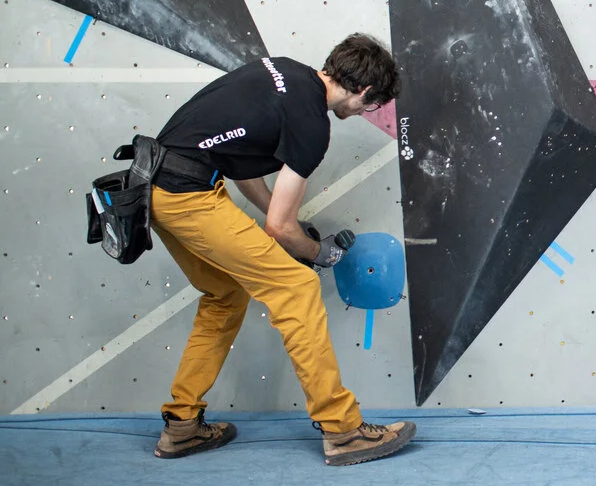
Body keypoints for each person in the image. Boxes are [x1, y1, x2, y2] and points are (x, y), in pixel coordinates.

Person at [146, 34, 414, 466]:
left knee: (224, 294)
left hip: (155, 189)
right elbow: (278, 228)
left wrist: (288, 223)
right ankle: (343, 431)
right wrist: (315, 252)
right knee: (297, 287)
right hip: (189, 195)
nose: (366, 113)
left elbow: (237, 164)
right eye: (371, 105)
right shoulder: (313, 124)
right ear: (365, 91)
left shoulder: (284, 71)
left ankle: (182, 426)